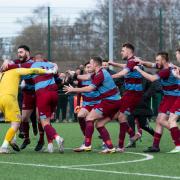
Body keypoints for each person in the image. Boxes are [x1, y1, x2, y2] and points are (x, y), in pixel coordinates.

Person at [64, 56, 121, 153]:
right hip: (113, 101)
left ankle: (87, 145)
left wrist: (73, 89)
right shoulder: (98, 73)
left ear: (95, 64)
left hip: (110, 101)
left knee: (89, 118)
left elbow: (90, 88)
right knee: (99, 124)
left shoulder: (100, 74)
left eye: (91, 63)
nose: (89, 65)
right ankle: (110, 147)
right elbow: (86, 77)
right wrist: (74, 75)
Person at [0, 65, 54, 153]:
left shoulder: (2, 74)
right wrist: (47, 71)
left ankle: (12, 140)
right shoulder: (15, 71)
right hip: (9, 98)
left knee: (13, 121)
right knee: (16, 124)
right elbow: (32, 70)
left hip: (1, 99)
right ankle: (4, 146)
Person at [134, 51, 180, 153]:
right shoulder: (166, 65)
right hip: (167, 97)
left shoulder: (166, 71)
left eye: (158, 60)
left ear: (163, 60)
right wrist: (141, 62)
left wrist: (138, 70)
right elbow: (151, 65)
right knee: (159, 120)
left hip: (173, 97)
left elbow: (152, 78)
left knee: (164, 120)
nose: (156, 62)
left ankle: (178, 138)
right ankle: (155, 146)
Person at [112, 43, 144, 152]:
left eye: (123, 50)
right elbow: (126, 67)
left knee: (121, 117)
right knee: (117, 115)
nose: (121, 52)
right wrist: (114, 63)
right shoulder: (132, 61)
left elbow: (123, 73)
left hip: (133, 94)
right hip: (129, 93)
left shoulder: (132, 61)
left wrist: (108, 77)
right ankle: (133, 135)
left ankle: (121, 146)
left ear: (129, 51)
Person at [73, 62, 101, 151]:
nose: (88, 68)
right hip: (87, 104)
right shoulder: (82, 79)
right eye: (87, 67)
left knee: (98, 123)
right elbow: (79, 92)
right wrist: (78, 105)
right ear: (85, 69)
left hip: (98, 103)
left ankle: (104, 142)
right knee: (80, 116)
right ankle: (87, 139)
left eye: (90, 67)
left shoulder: (97, 77)